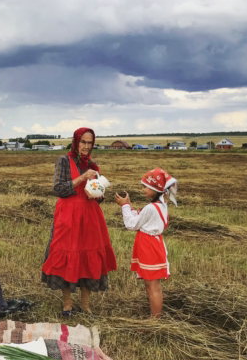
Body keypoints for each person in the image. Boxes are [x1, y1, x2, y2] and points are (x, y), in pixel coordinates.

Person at [41, 127, 117, 315]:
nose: (86, 146)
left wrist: (98, 193)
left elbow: (98, 196)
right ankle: (67, 303)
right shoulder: (64, 161)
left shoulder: (93, 164)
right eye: (83, 142)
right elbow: (58, 189)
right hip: (68, 215)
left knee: (87, 256)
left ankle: (85, 305)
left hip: (90, 215)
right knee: (67, 256)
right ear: (76, 142)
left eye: (90, 143)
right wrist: (81, 178)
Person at [115, 168, 178, 318]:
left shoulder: (151, 208)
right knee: (151, 285)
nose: (142, 189)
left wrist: (124, 206)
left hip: (149, 247)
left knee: (153, 286)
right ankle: (154, 316)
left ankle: (155, 320)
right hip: (151, 244)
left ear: (155, 188)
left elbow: (132, 224)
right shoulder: (159, 205)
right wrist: (129, 205)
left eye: (145, 186)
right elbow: (141, 220)